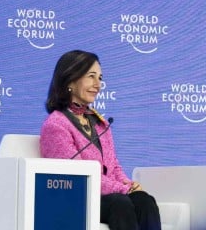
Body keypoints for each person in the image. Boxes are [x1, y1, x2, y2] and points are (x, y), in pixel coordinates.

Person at [40, 50, 161, 230]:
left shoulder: (99, 123)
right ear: (70, 80)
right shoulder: (56, 125)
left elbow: (113, 166)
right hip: (74, 197)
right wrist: (123, 190)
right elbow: (78, 176)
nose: (98, 84)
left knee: (145, 200)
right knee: (120, 203)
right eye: (91, 77)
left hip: (106, 195)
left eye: (100, 78)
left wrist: (128, 184)